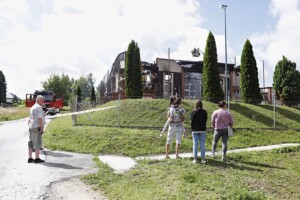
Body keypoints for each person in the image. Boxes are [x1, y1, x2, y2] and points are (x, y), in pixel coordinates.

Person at [27, 95, 45, 163]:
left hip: (31, 127)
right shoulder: (39, 107)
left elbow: (29, 119)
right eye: (42, 100)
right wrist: (41, 128)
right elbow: (39, 119)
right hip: (37, 127)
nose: (43, 101)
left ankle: (30, 158)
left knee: (30, 143)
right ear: (38, 100)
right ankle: (37, 158)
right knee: (37, 143)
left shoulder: (32, 107)